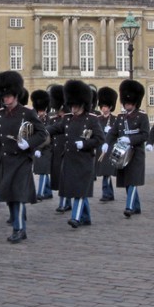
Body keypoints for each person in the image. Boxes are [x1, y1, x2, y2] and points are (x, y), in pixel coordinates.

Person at [0, 71, 48, 244]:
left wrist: (29, 143)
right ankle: (17, 224)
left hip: (22, 160)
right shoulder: (1, 115)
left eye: (8, 96)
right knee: (9, 197)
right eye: (3, 97)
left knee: (18, 196)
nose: (6, 99)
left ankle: (19, 229)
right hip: (6, 160)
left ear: (15, 95)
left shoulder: (27, 112)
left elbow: (43, 133)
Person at [46, 80, 104, 228]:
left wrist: (84, 144)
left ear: (83, 104)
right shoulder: (67, 118)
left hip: (84, 160)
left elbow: (99, 138)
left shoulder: (91, 119)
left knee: (79, 191)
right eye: (72, 105)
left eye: (76, 105)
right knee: (77, 190)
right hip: (70, 159)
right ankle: (86, 217)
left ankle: (75, 218)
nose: (74, 108)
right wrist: (43, 130)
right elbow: (56, 128)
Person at [105, 80, 149, 218]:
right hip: (123, 154)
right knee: (127, 182)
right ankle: (136, 206)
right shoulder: (120, 117)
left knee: (132, 181)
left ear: (135, 103)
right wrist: (107, 143)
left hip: (136, 153)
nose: (127, 105)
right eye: (126, 102)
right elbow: (113, 132)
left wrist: (130, 139)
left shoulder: (142, 117)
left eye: (130, 103)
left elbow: (145, 134)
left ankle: (129, 207)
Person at [48, 84, 70, 213]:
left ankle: (64, 203)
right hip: (56, 152)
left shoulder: (69, 119)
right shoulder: (55, 120)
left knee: (65, 179)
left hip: (66, 151)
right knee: (59, 179)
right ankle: (64, 202)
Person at [95, 86, 118, 202]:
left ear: (110, 107)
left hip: (110, 148)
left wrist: (111, 129)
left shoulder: (114, 119)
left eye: (106, 107)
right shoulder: (98, 119)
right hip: (101, 148)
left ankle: (107, 194)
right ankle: (109, 193)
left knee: (107, 172)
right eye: (103, 107)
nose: (104, 109)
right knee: (104, 172)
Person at [30, 90, 53, 201]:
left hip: (46, 149)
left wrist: (39, 147)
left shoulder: (49, 120)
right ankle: (48, 192)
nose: (40, 113)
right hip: (37, 149)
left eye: (42, 111)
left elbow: (47, 137)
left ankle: (40, 193)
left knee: (43, 171)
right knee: (42, 170)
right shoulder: (34, 120)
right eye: (39, 111)